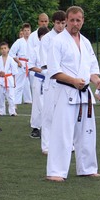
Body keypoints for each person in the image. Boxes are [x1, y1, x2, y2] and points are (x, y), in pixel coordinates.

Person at [46, 6, 100, 181]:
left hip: (84, 94)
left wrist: (98, 81)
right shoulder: (58, 41)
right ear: (66, 21)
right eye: (71, 20)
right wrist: (73, 81)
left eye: (78, 20)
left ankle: (87, 168)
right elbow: (54, 71)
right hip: (65, 92)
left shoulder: (86, 42)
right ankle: (56, 172)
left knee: (87, 133)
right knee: (62, 134)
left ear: (83, 21)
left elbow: (91, 70)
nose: (75, 23)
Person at [39, 11, 66, 154]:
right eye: (58, 23)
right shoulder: (47, 39)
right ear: (53, 23)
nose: (60, 26)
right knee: (49, 114)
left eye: (63, 23)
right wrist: (56, 73)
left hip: (67, 81)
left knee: (65, 115)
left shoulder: (68, 38)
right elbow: (44, 63)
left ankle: (65, 144)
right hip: (52, 80)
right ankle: (46, 145)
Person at [28, 26, 50, 138]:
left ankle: (49, 128)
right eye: (43, 37)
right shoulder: (35, 50)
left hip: (51, 80)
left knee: (50, 104)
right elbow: (30, 66)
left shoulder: (52, 48)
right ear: (39, 38)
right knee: (38, 104)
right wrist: (42, 71)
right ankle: (36, 128)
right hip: (39, 79)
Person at [10, 23, 32, 104]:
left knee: (27, 83)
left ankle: (28, 99)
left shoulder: (32, 41)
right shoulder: (19, 41)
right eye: (25, 30)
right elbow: (12, 53)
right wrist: (18, 62)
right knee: (19, 82)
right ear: (22, 31)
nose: (27, 32)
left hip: (30, 63)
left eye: (28, 30)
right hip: (21, 63)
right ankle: (15, 100)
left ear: (30, 31)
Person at [0, 41, 17, 116]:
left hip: (9, 79)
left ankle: (12, 111)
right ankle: (1, 111)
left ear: (8, 49)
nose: (3, 50)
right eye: (2, 48)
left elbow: (14, 72)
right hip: (1, 80)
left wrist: (14, 82)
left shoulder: (11, 59)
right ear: (0, 50)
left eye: (5, 48)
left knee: (11, 96)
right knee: (0, 97)